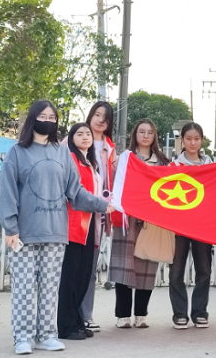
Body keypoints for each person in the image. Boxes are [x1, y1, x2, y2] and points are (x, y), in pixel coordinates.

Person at [0, 100, 114, 355]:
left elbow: (75, 192)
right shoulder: (17, 152)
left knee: (50, 287)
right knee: (24, 288)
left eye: (52, 117)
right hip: (25, 233)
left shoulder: (62, 153)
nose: (48, 121)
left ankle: (47, 334)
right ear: (33, 119)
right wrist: (10, 227)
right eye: (43, 116)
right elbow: (7, 192)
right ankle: (23, 336)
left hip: (56, 233)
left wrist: (101, 204)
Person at [109, 119, 171, 329]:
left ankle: (141, 314)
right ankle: (123, 315)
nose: (145, 136)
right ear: (134, 134)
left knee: (147, 266)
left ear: (155, 136)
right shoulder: (124, 159)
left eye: (150, 132)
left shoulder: (163, 162)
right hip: (126, 218)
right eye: (141, 132)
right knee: (124, 265)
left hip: (151, 220)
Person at [57, 123, 105, 340]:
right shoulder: (70, 159)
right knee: (70, 277)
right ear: (71, 138)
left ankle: (77, 321)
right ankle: (65, 325)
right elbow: (76, 193)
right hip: (73, 225)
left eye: (88, 134)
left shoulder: (91, 163)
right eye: (79, 134)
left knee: (83, 275)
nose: (85, 137)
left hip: (90, 225)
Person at [169, 122, 214, 330]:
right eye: (188, 139)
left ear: (201, 140)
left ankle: (200, 313)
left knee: (204, 270)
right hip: (179, 226)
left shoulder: (212, 165)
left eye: (197, 139)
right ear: (182, 141)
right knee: (176, 270)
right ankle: (179, 314)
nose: (193, 143)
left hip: (204, 225)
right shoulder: (174, 166)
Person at [79, 100, 116, 333]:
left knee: (90, 268)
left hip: (98, 216)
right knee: (72, 267)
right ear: (90, 115)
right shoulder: (73, 140)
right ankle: (68, 315)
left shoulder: (110, 149)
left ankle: (86, 315)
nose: (101, 120)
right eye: (97, 114)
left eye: (106, 117)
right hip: (75, 214)